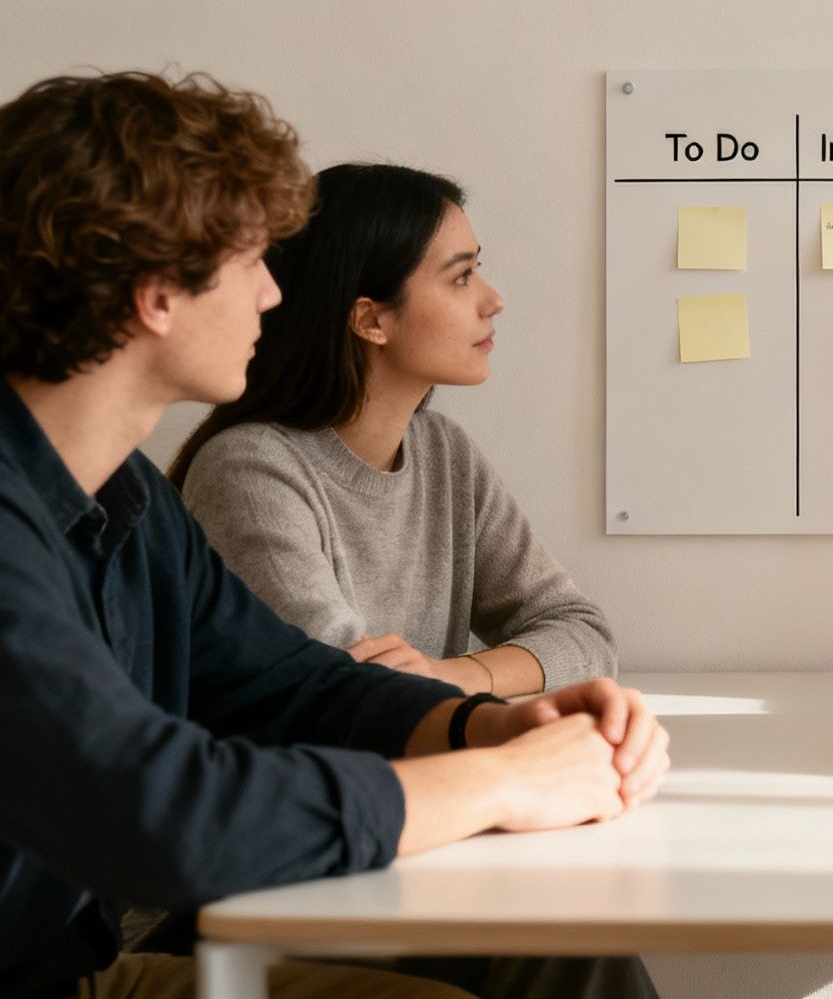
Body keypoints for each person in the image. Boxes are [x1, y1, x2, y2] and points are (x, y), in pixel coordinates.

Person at [0, 71, 669, 999]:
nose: (277, 296)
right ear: (156, 290)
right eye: (252, 262)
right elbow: (165, 817)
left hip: (54, 972)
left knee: (547, 956)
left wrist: (490, 724)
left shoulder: (120, 495)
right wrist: (503, 782)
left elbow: (292, 688)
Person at [169, 163, 609, 701]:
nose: (494, 300)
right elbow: (344, 688)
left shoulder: (444, 452)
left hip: (415, 763)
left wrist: (457, 674)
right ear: (371, 320)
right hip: (322, 779)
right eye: (461, 276)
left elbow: (585, 634)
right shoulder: (248, 471)